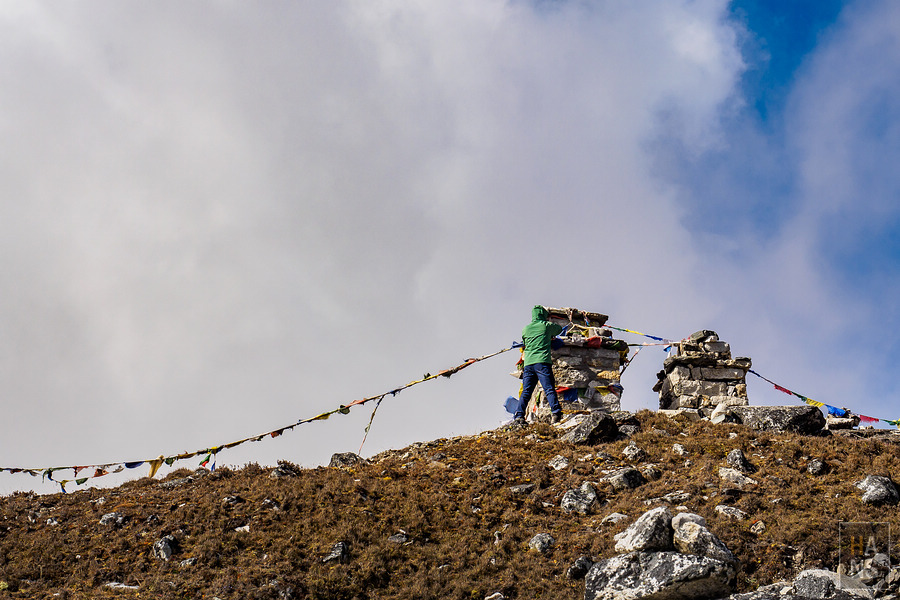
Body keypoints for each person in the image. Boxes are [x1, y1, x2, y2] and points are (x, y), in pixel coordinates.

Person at [514, 305, 564, 425]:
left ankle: (519, 416)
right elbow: (559, 329)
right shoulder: (546, 326)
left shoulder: (526, 329)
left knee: (526, 391)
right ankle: (556, 413)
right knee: (549, 388)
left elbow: (525, 342)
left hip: (528, 364)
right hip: (542, 362)